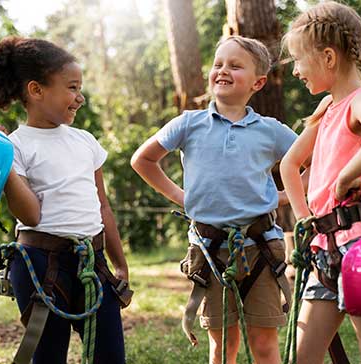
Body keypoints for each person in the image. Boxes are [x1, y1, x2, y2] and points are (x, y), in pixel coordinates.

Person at [131, 35, 298, 364]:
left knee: (264, 344)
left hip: (261, 248)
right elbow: (143, 160)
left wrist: (284, 195)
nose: (223, 70)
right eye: (218, 64)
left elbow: (313, 162)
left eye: (235, 66)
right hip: (210, 251)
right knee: (223, 347)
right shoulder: (188, 123)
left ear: (258, 82)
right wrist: (183, 197)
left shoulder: (271, 130)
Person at [0, 36, 129, 364]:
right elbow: (30, 216)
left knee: (111, 357)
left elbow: (103, 207)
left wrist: (118, 262)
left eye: (80, 88)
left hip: (93, 261)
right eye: (72, 87)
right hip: (39, 264)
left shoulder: (86, 141)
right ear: (36, 90)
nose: (80, 97)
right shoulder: (15, 146)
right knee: (47, 357)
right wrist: (1, 163)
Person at [279, 2, 361, 364]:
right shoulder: (327, 109)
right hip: (326, 251)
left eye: (299, 60)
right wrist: (306, 220)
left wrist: (347, 176)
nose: (297, 71)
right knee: (303, 355)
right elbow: (290, 164)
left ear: (328, 57)